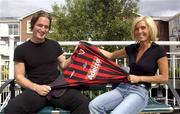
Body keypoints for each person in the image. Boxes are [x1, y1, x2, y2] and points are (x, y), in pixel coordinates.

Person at [4, 11, 90, 114]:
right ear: (33, 25)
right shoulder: (21, 49)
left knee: (84, 104)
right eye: (40, 25)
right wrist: (37, 88)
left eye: (46, 27)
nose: (43, 29)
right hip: (35, 91)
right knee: (11, 109)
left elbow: (64, 66)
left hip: (57, 89)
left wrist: (75, 54)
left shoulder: (54, 45)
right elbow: (19, 77)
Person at [89, 16, 169, 114]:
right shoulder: (132, 48)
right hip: (122, 88)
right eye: (136, 29)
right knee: (94, 105)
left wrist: (139, 78)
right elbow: (111, 55)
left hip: (139, 91)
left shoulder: (158, 50)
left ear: (150, 29)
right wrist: (89, 46)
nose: (139, 31)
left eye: (143, 28)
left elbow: (164, 78)